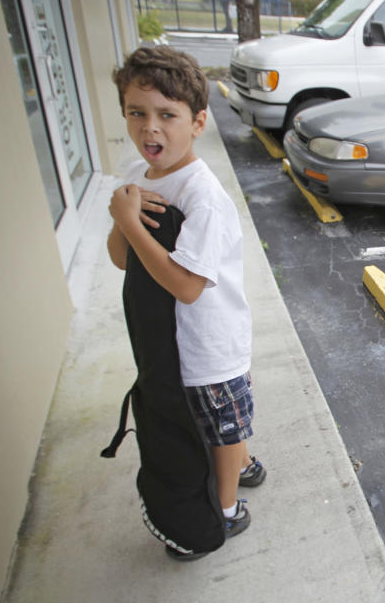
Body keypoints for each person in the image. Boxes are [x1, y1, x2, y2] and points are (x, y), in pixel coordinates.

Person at [107, 46, 266, 560]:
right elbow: (120, 259)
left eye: (166, 115)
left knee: (220, 428)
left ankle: (224, 510)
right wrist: (121, 219)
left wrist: (132, 222)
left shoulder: (202, 195)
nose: (150, 129)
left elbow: (188, 287)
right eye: (137, 112)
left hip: (210, 345)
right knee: (219, 425)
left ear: (198, 122)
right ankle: (242, 464)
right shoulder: (138, 174)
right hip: (177, 345)